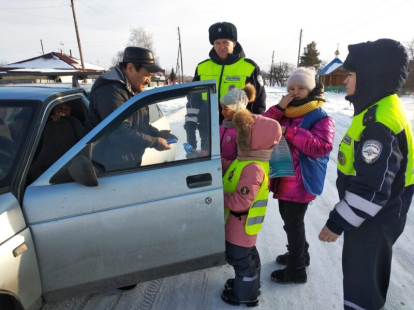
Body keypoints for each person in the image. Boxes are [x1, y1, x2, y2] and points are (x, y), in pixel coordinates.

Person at [318, 39, 413, 310]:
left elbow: (371, 189)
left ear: (371, 76)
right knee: (361, 282)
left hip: (373, 219)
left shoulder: (379, 123)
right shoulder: (376, 108)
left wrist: (337, 222)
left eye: (350, 75)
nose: (346, 81)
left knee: (362, 291)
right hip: (371, 216)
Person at [264, 67, 335, 284]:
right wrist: (279, 107)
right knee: (289, 220)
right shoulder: (285, 112)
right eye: (291, 88)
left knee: (293, 223)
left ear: (310, 89)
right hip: (284, 176)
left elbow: (321, 146)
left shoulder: (320, 116)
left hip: (301, 180)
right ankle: (301, 255)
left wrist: (289, 132)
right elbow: (264, 126)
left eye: (301, 88)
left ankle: (296, 270)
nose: (295, 92)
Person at [221, 109, 282, 307]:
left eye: (242, 134)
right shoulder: (247, 162)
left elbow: (241, 201)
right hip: (241, 225)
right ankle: (250, 285)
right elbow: (231, 168)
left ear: (252, 140)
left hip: (240, 226)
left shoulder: (253, 168)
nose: (238, 137)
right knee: (248, 256)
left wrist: (217, 198)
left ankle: (245, 294)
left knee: (239, 260)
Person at [85, 46, 176, 169]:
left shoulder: (133, 89)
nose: (149, 81)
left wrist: (156, 133)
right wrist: (154, 142)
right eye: (147, 75)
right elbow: (118, 133)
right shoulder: (110, 92)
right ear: (130, 68)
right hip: (108, 168)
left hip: (127, 164)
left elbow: (139, 124)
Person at [184, 21, 266, 153]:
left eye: (225, 42)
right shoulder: (202, 67)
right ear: (213, 45)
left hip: (238, 132)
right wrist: (190, 128)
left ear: (233, 43)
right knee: (211, 170)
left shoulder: (249, 67)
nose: (222, 46)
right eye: (217, 43)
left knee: (235, 170)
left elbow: (258, 103)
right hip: (208, 131)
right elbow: (193, 101)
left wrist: (254, 130)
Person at [220, 83, 255, 172]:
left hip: (231, 175)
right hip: (219, 171)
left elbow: (242, 163)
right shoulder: (222, 127)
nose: (222, 112)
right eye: (222, 108)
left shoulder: (241, 130)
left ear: (237, 109)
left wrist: (221, 163)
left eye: (226, 109)